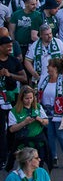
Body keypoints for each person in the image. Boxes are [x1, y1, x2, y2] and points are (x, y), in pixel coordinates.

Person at [36, 58, 63, 170]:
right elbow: (38, 93)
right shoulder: (44, 79)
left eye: (50, 66)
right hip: (46, 112)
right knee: (50, 136)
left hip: (59, 112)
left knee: (61, 136)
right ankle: (54, 157)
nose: (47, 67)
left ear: (56, 68)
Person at [6, 86, 49, 172]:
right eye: (26, 98)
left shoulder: (38, 107)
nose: (29, 100)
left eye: (31, 98)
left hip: (38, 143)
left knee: (38, 167)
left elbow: (46, 121)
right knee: (25, 168)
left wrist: (40, 119)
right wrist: (24, 123)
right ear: (21, 98)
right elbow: (11, 129)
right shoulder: (14, 111)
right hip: (23, 145)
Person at [0, 36, 25, 169]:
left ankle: (11, 151)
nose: (10, 48)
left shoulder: (14, 61)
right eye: (8, 46)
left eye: (11, 45)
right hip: (0, 97)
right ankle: (2, 157)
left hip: (11, 98)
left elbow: (24, 78)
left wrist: (10, 75)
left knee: (12, 127)